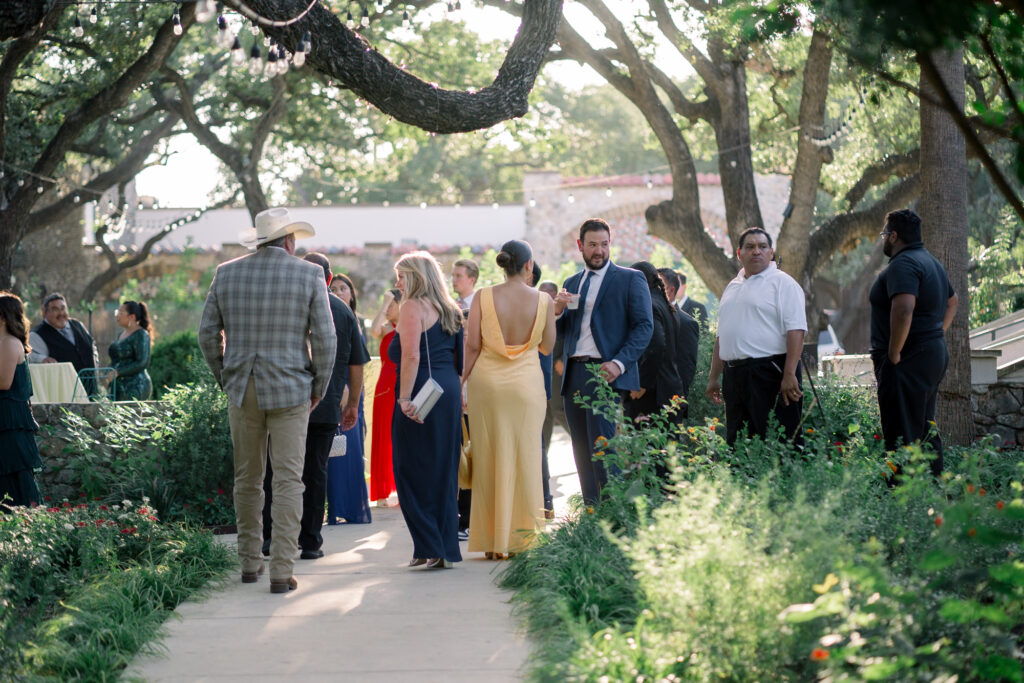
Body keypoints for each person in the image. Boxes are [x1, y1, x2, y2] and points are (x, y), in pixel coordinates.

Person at [198, 207, 336, 594]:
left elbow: (206, 334)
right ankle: (281, 569)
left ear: (259, 239)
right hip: (292, 388)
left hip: (243, 387)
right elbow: (326, 339)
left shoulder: (227, 273)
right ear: (290, 241)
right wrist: (318, 386)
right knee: (290, 479)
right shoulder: (309, 273)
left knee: (247, 478)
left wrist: (225, 376)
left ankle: (248, 563)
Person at [261, 252, 367, 560]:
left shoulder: (284, 305)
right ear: (330, 279)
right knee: (315, 472)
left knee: (277, 470)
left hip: (284, 401)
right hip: (326, 404)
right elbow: (357, 363)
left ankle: (271, 537)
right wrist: (352, 406)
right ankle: (310, 541)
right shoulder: (344, 312)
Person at [463, 241, 555, 558]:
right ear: (529, 265)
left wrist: (461, 381)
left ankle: (492, 542)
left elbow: (472, 345)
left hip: (487, 385)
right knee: (527, 458)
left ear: (503, 264)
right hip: (527, 387)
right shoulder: (543, 300)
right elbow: (546, 347)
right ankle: (523, 540)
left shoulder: (482, 297)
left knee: (489, 459)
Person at [554, 218, 653, 505]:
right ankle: (591, 514)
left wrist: (619, 363)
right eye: (593, 245)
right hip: (574, 374)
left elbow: (644, 326)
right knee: (581, 449)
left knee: (603, 447)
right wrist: (557, 311)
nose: (599, 251)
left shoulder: (630, 278)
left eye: (604, 244)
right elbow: (562, 333)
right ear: (580, 246)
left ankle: (613, 517)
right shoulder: (571, 283)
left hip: (605, 373)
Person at [390, 251, 464, 569]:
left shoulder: (411, 306)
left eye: (402, 275)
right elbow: (461, 360)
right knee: (443, 471)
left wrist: (405, 398)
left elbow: (410, 357)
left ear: (416, 277)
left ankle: (428, 545)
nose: (397, 282)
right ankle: (441, 546)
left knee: (410, 469)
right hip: (446, 392)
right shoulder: (451, 308)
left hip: (420, 391)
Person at [869, 209, 957, 476]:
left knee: (901, 433)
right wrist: (936, 333)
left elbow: (904, 308)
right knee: (923, 429)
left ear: (894, 236)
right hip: (930, 353)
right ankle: (933, 494)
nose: (884, 239)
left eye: (885, 233)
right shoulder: (930, 262)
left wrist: (894, 353)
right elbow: (952, 302)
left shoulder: (903, 264)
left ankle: (903, 502)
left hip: (908, 358)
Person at [706, 227, 806, 446]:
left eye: (762, 246)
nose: (756, 251)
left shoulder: (783, 284)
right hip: (735, 376)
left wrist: (789, 373)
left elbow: (796, 330)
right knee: (738, 444)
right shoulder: (732, 287)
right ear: (739, 253)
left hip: (771, 372)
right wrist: (714, 377)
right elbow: (723, 336)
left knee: (779, 443)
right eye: (750, 247)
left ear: (771, 252)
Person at [326, 273, 373, 527]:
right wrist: (343, 387)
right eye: (334, 288)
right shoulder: (329, 316)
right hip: (339, 387)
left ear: (352, 293)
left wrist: (355, 391)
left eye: (344, 288)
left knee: (353, 448)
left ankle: (353, 507)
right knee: (338, 448)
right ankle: (336, 507)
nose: (339, 292)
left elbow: (360, 359)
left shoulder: (357, 320)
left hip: (355, 390)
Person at [625, 261, 686, 423]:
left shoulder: (649, 305)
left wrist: (643, 383)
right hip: (669, 390)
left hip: (652, 393)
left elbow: (657, 346)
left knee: (646, 447)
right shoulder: (665, 304)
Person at [0, 291, 42, 509]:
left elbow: (4, 382)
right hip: (7, 418)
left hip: (9, 420)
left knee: (10, 474)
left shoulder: (8, 342)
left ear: (4, 316)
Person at [451, 258, 478, 539]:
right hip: (456, 387)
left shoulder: (480, 306)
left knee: (472, 456)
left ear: (472, 278)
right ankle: (458, 515)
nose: (454, 280)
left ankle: (469, 518)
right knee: (458, 457)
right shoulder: (450, 308)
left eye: (458, 275)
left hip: (473, 388)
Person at [29, 293, 99, 395]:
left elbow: (92, 348)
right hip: (64, 395)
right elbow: (30, 358)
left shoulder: (78, 325)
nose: (61, 313)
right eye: (55, 309)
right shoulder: (36, 335)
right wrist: (42, 359)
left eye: (63, 308)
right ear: (44, 313)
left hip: (91, 391)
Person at [368, 288, 401, 507]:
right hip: (385, 385)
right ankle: (381, 492)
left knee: (402, 437)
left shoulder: (411, 324)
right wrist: (386, 300)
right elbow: (373, 331)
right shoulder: (386, 327)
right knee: (383, 435)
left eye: (391, 305)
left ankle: (401, 489)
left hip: (405, 382)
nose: (387, 310)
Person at [538, 279, 565, 519]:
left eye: (549, 294)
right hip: (537, 378)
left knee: (559, 411)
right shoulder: (535, 311)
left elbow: (566, 335)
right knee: (541, 430)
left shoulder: (562, 314)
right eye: (542, 293)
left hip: (556, 375)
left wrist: (561, 358)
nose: (545, 297)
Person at [108, 300, 153, 400]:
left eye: (120, 313)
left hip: (136, 386)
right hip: (118, 387)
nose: (117, 315)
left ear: (132, 317)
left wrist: (119, 372)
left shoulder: (141, 334)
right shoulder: (120, 335)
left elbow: (142, 362)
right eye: (117, 312)